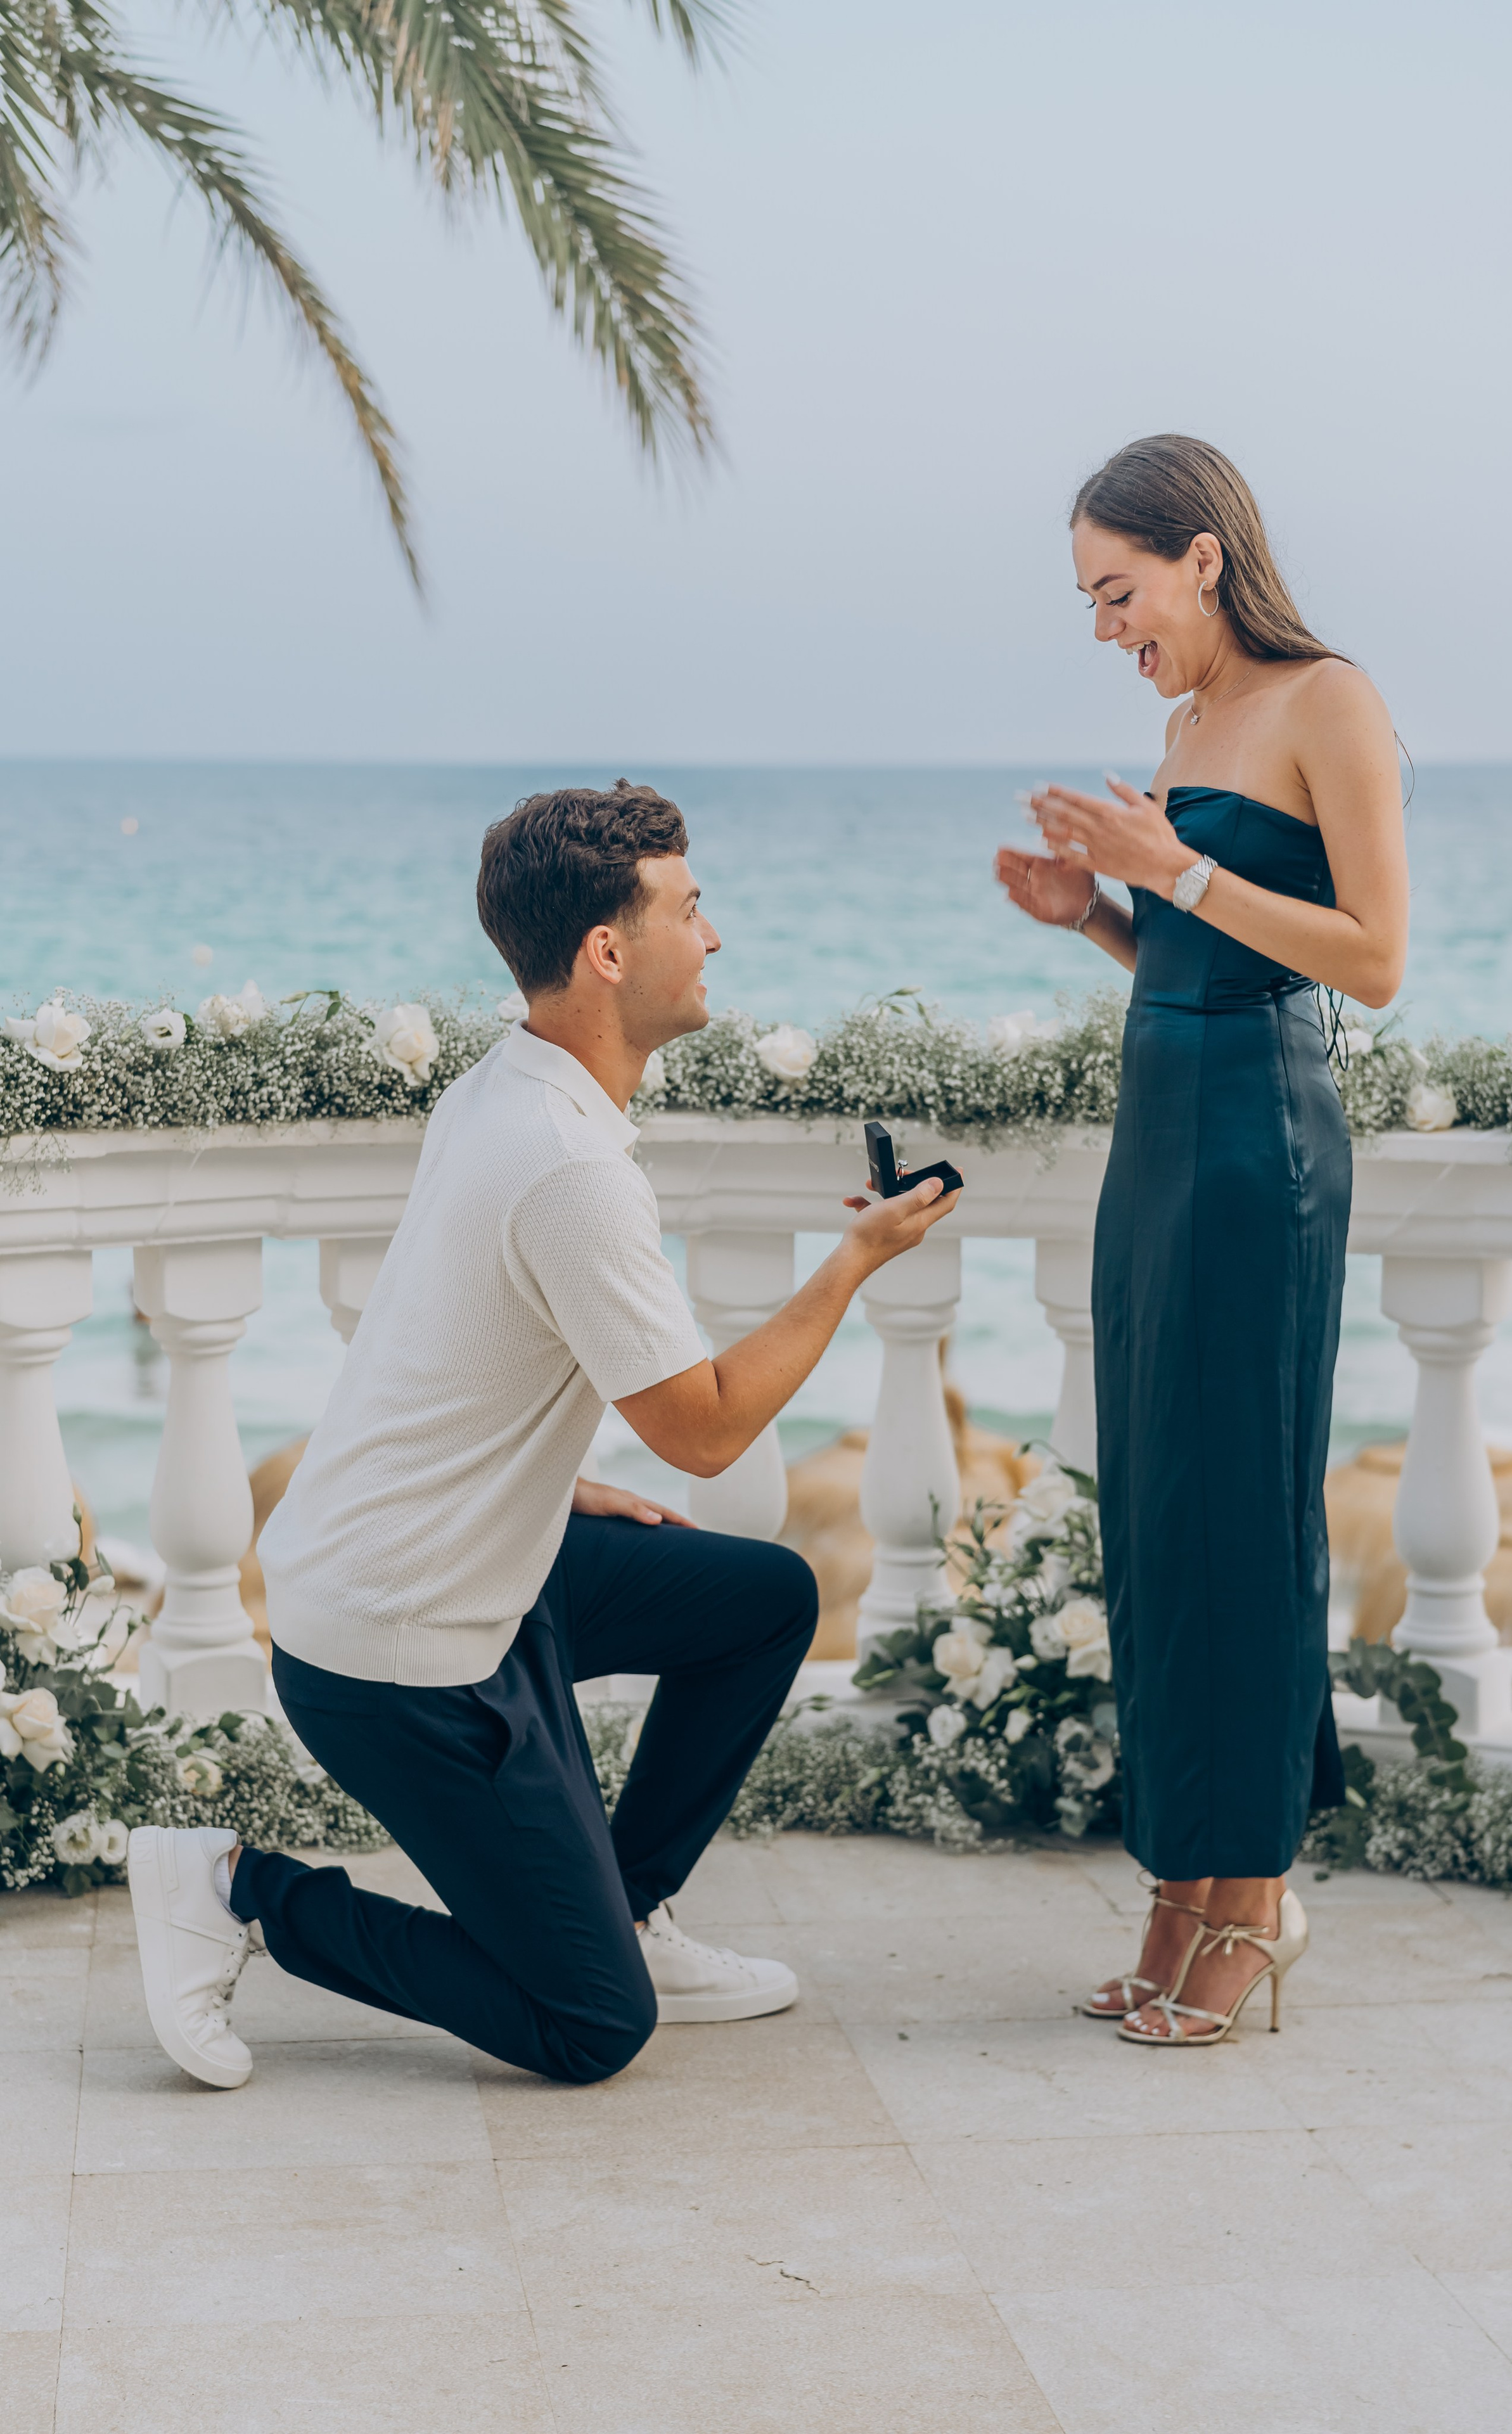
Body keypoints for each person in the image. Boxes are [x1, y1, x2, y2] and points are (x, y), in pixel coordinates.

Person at [129, 781, 959, 2091]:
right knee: (590, 2028)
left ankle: (623, 1907)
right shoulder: (565, 1162)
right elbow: (702, 1433)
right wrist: (853, 1259)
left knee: (757, 1600)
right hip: (401, 1647)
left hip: (477, 1558)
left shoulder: (504, 1087)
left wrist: (546, 1477)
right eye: (691, 908)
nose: (715, 937)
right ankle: (237, 1889)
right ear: (608, 951)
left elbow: (441, 1342)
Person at [996, 435, 1407, 2045]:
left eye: (1119, 592)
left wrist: (1170, 864)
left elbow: (1367, 960)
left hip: (1258, 1151)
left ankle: (1250, 1904)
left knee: (1238, 1513)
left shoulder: (1329, 702)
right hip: (1155, 1143)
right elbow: (1190, 955)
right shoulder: (1178, 727)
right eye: (1091, 601)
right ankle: (1181, 1887)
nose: (1108, 627)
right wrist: (1096, 914)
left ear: (1202, 560)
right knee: (1161, 1513)